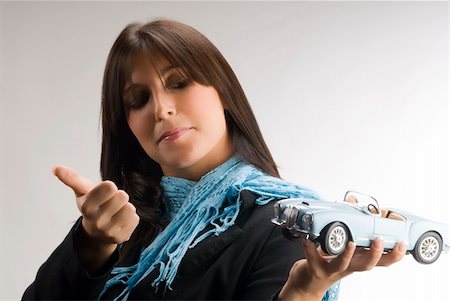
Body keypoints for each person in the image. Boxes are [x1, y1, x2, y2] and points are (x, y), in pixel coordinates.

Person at [22, 19, 406, 301]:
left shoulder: (283, 223)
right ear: (127, 127)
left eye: (178, 82)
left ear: (221, 90)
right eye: (138, 100)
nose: (162, 110)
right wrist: (90, 245)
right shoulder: (116, 222)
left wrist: (304, 291)